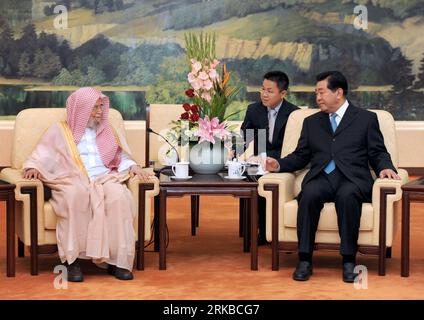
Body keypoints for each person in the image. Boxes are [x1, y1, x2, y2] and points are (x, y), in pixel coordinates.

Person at [265, 71, 400, 282]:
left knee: (348, 196)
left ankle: (348, 260)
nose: (317, 97)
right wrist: (279, 164)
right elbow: (301, 156)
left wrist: (385, 166)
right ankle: (305, 259)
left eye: (321, 92)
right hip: (322, 177)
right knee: (309, 194)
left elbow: (377, 151)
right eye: (316, 93)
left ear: (338, 92)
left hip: (352, 178)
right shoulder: (312, 122)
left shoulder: (366, 119)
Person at [23, 87, 153, 282]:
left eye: (101, 106)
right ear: (81, 109)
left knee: (119, 197)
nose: (100, 111)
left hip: (106, 177)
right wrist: (33, 167)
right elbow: (42, 154)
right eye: (95, 108)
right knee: (75, 196)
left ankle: (117, 261)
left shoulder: (107, 129)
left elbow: (119, 156)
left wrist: (132, 165)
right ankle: (72, 261)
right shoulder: (59, 131)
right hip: (72, 179)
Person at [235, 71, 299, 244]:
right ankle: (256, 233)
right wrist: (233, 153)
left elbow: (293, 149)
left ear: (283, 93)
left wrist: (268, 159)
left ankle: (270, 233)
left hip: (282, 164)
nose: (264, 94)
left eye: (270, 91)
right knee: (250, 180)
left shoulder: (294, 114)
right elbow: (244, 139)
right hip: (258, 165)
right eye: (263, 89)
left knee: (268, 184)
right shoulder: (254, 110)